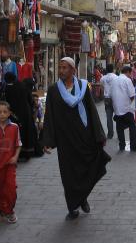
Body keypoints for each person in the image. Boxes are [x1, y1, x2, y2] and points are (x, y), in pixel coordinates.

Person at [42, 57, 110, 220]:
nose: (61, 71)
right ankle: (72, 205)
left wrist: (99, 135)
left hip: (83, 136)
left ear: (73, 70)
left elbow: (91, 111)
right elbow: (49, 115)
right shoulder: (53, 90)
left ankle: (83, 196)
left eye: (65, 68)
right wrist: (47, 141)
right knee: (68, 173)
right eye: (60, 68)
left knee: (86, 167)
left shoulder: (83, 88)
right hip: (65, 139)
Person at [0, 101, 21, 224]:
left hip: (10, 165)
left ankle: (10, 211)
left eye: (5, 112)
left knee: (10, 189)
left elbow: (18, 145)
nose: (2, 114)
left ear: (9, 113)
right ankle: (1, 211)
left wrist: (15, 157)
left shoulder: (14, 127)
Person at [0, 72, 37, 160]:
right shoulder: (23, 86)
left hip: (14, 114)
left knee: (16, 133)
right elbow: (30, 99)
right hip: (25, 112)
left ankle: (17, 154)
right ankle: (27, 153)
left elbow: (4, 101)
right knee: (25, 132)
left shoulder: (7, 88)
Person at [110, 65, 136, 152]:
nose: (131, 75)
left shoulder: (114, 80)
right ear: (128, 72)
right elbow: (132, 95)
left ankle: (122, 145)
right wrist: (128, 103)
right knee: (132, 125)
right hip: (126, 108)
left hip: (116, 108)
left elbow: (110, 94)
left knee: (119, 126)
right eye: (131, 73)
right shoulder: (127, 80)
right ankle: (133, 146)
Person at [100, 64, 117, 139]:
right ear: (113, 69)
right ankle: (119, 133)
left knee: (108, 117)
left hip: (107, 99)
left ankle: (110, 134)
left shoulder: (103, 78)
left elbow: (101, 87)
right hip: (115, 98)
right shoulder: (116, 77)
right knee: (118, 116)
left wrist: (106, 92)